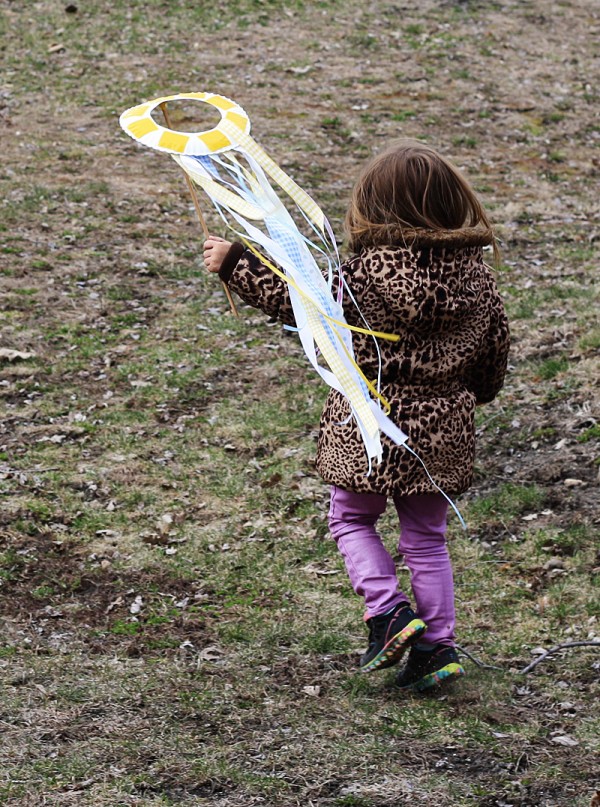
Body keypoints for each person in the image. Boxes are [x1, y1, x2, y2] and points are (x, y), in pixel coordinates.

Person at [203, 140, 510, 691]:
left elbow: (302, 304)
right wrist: (470, 392)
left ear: (373, 205)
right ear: (449, 202)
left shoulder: (366, 272)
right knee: (427, 538)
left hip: (370, 425)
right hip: (442, 433)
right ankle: (437, 648)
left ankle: (389, 613)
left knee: (351, 519)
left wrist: (236, 264)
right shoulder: (478, 278)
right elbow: (492, 358)